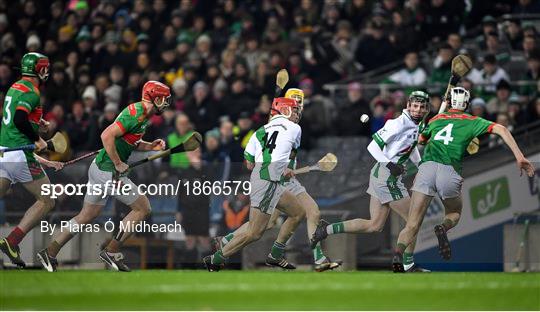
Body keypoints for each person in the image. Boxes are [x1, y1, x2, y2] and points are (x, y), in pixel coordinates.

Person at [392, 87, 535, 272]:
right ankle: (443, 227)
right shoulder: (473, 121)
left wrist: (432, 124)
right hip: (449, 171)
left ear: (449, 103)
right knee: (454, 213)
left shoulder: (436, 119)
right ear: (466, 104)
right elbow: (501, 128)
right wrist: (519, 156)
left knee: (412, 223)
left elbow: (420, 140)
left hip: (426, 169)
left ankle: (398, 254)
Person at [37, 81, 171, 272]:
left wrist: (149, 146)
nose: (166, 103)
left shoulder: (142, 115)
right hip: (109, 171)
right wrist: (118, 163)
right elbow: (106, 135)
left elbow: (129, 140)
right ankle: (111, 251)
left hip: (99, 169)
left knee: (87, 215)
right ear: (155, 98)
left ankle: (50, 251)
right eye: (164, 99)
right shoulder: (135, 114)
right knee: (143, 208)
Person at [212, 88, 342, 272]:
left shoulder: (284, 126)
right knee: (266, 224)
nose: (298, 108)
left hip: (282, 178)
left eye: (299, 102)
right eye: (294, 103)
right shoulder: (287, 126)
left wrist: (289, 167)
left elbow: (284, 153)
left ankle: (317, 258)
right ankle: (231, 247)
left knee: (311, 211)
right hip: (275, 179)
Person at [311, 91, 431, 273]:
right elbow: (372, 146)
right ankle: (407, 263)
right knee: (413, 220)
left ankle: (326, 229)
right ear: (408, 105)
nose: (418, 109)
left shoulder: (416, 125)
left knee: (374, 225)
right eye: (415, 105)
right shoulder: (397, 124)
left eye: (422, 107)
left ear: (426, 109)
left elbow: (411, 148)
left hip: (383, 174)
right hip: (386, 175)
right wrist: (390, 165)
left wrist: (420, 164)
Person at [203, 97, 305, 272]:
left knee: (298, 212)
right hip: (268, 180)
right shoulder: (295, 128)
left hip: (265, 177)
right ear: (285, 110)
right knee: (255, 232)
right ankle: (215, 258)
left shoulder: (259, 131)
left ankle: (275, 254)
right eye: (294, 110)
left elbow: (249, 163)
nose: (297, 114)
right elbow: (292, 151)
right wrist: (287, 166)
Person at [0, 52, 64, 268]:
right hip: (20, 155)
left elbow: (19, 114)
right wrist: (38, 139)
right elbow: (19, 119)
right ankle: (12, 241)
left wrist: (38, 121)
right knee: (48, 199)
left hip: (3, 152)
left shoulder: (15, 86)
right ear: (41, 70)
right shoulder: (33, 92)